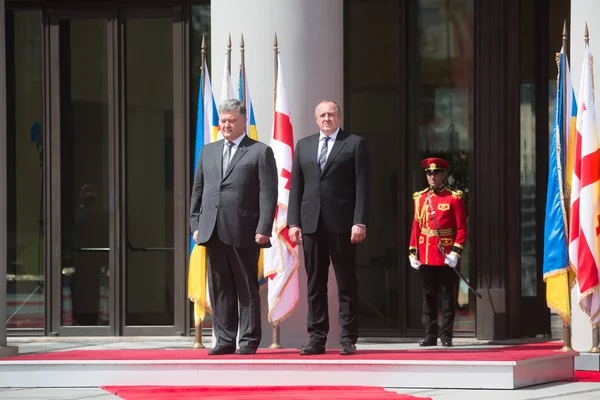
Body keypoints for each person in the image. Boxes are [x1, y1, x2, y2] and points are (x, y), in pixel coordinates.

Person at [189, 99, 278, 355]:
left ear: (243, 121)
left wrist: (264, 227)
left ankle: (248, 340)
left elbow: (267, 194)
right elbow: (198, 190)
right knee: (220, 288)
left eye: (232, 121)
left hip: (245, 230)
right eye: (223, 121)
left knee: (246, 287)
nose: (226, 125)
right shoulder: (209, 151)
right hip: (212, 231)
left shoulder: (260, 151)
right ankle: (225, 340)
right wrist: (196, 223)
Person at [288, 100, 370, 356]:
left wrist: (360, 220)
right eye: (322, 115)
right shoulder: (304, 145)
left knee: (346, 282)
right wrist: (293, 222)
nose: (326, 118)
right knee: (315, 284)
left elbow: (362, 188)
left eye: (331, 114)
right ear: (316, 119)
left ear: (339, 117)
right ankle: (317, 338)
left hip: (343, 225)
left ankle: (348, 338)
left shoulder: (354, 144)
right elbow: (296, 189)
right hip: (311, 225)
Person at [409, 157, 467, 347]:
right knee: (428, 297)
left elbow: (461, 229)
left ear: (443, 175)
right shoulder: (421, 198)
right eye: (429, 173)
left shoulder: (454, 198)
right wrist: (413, 253)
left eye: (435, 173)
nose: (432, 177)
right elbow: (416, 227)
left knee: (447, 297)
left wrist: (455, 253)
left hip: (445, 255)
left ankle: (446, 335)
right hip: (426, 253)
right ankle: (430, 334)